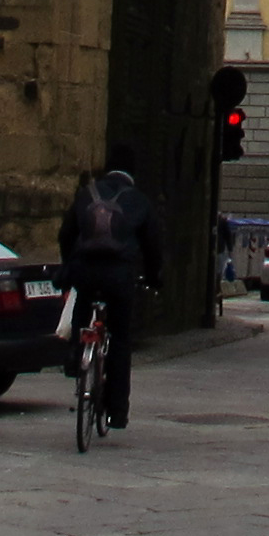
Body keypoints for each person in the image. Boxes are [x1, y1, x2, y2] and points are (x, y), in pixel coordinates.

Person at [60, 142, 167, 431]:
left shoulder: (87, 194)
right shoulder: (138, 200)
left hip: (85, 272)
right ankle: (117, 411)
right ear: (132, 173)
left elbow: (66, 233)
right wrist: (155, 276)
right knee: (119, 339)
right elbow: (152, 245)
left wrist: (68, 266)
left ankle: (74, 360)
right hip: (120, 277)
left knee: (82, 313)